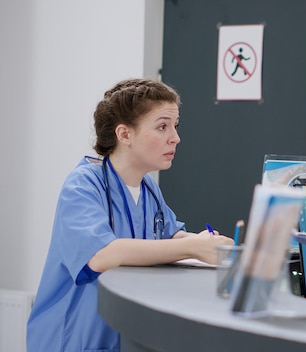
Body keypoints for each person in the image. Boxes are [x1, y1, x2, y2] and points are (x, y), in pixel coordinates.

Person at [27, 78, 234, 351]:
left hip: (118, 337)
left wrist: (205, 242)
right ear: (125, 135)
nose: (175, 137)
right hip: (72, 339)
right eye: (162, 126)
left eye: (175, 126)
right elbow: (101, 256)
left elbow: (169, 234)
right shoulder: (82, 186)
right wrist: (192, 247)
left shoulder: (148, 187)